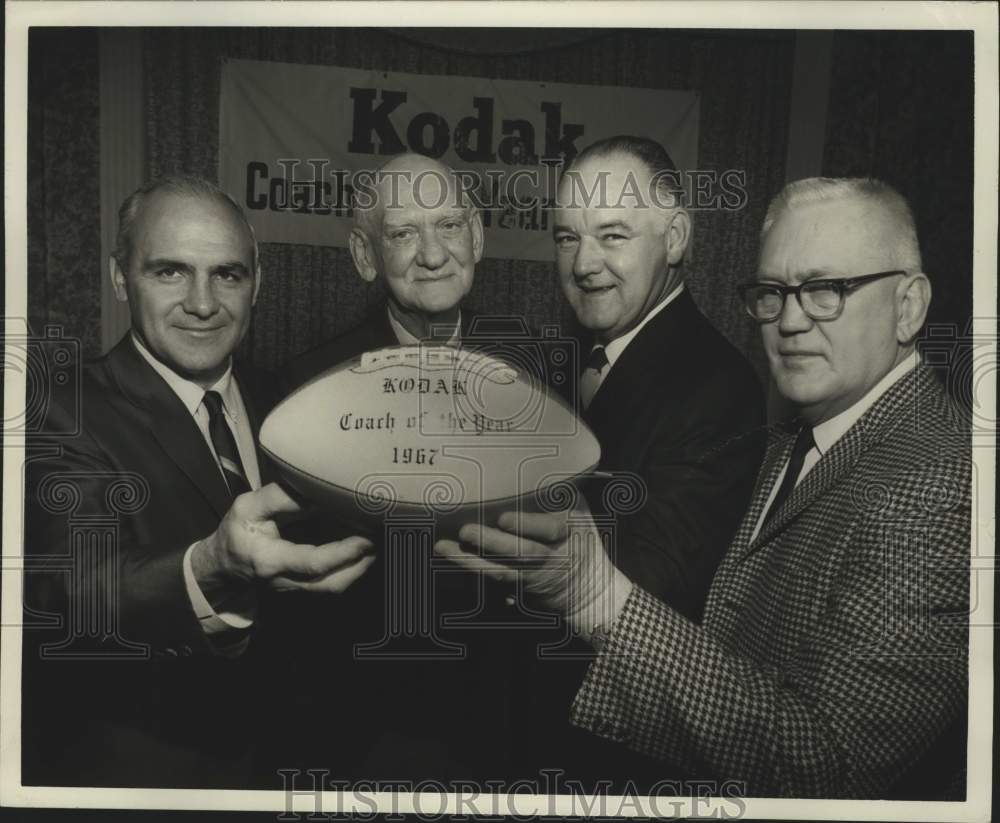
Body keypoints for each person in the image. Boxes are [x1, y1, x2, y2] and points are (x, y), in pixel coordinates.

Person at [437, 177, 970, 799]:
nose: (790, 320)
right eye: (772, 292)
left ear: (909, 306)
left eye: (826, 290)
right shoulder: (792, 437)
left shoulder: (942, 483)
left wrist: (594, 594)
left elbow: (830, 769)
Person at [22, 176, 374, 789]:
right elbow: (71, 587)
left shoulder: (291, 401)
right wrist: (211, 564)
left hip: (296, 770)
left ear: (257, 283)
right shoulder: (61, 409)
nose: (203, 303)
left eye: (227, 274)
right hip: (148, 783)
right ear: (120, 278)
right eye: (170, 272)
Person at [266, 154, 522, 782]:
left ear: (478, 236)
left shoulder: (540, 376)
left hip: (504, 729)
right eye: (404, 232)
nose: (433, 254)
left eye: (450, 225)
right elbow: (300, 603)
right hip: (354, 733)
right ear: (365, 255)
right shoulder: (307, 387)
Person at [553, 135, 765, 618]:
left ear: (674, 238)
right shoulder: (560, 362)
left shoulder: (718, 389)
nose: (583, 265)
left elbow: (657, 587)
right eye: (567, 239)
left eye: (612, 235)